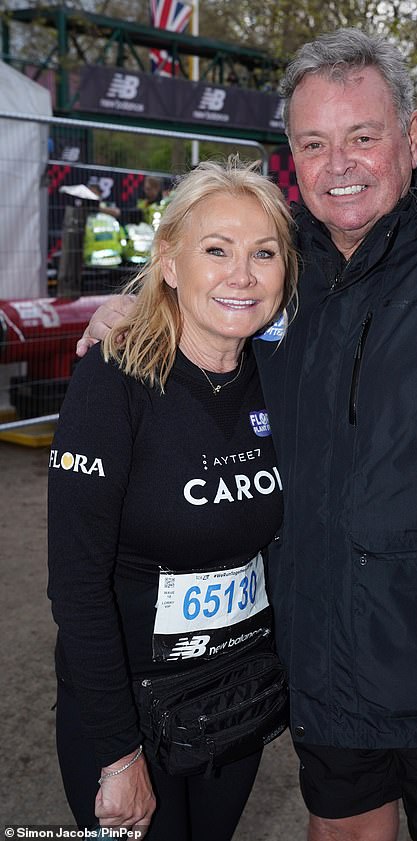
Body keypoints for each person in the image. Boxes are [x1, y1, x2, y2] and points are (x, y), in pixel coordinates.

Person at [77, 29, 417, 841]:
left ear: (412, 136)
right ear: (291, 154)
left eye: (363, 137)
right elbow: (204, 286)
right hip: (325, 666)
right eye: (315, 144)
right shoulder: (283, 264)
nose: (341, 165)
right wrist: (132, 307)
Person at [49, 160, 298, 840]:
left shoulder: (282, 376)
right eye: (216, 249)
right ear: (168, 262)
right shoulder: (116, 377)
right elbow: (76, 586)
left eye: (263, 253)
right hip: (132, 713)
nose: (241, 274)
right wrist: (116, 750)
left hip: (235, 705)